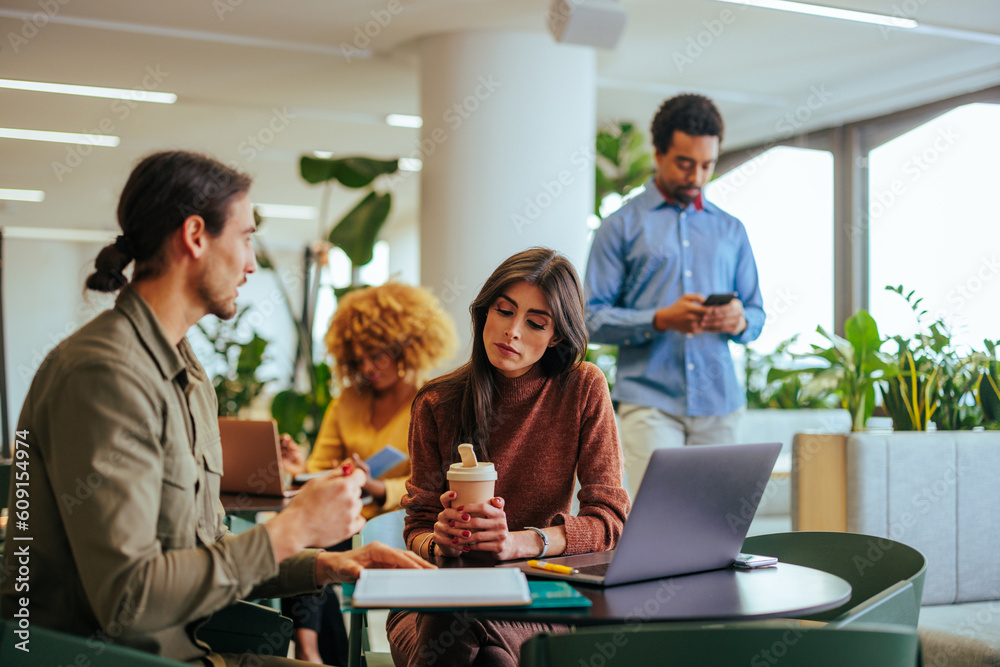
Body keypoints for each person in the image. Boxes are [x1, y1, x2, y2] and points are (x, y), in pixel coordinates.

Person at [0, 150, 431, 666]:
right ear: (196, 235)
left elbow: (207, 547)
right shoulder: (104, 375)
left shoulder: (187, 372)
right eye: (245, 238)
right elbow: (130, 600)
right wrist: (288, 530)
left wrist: (326, 565)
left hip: (191, 648)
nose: (251, 262)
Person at [387, 247, 632, 667]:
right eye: (504, 311)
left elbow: (609, 521)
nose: (512, 331)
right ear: (485, 312)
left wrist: (518, 543)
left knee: (486, 654)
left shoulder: (582, 388)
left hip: (537, 596)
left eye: (536, 323)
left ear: (556, 335)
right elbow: (418, 527)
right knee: (462, 617)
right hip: (434, 600)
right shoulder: (436, 402)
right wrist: (439, 541)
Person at [584, 94, 765, 498]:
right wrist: (660, 319)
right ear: (659, 152)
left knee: (715, 523)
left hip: (720, 405)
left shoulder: (731, 230)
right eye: (685, 163)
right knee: (660, 517)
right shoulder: (620, 227)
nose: (697, 176)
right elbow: (589, 319)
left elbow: (756, 314)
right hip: (649, 404)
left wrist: (739, 320)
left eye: (707, 165)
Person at [279, 282, 457, 664]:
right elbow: (319, 469)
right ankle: (313, 650)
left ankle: (312, 650)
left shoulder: (428, 401)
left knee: (322, 542)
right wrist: (299, 467)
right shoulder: (347, 402)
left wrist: (378, 487)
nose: (367, 368)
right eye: (359, 360)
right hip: (344, 515)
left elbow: (433, 483)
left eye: (376, 356)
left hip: (394, 521)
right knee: (306, 536)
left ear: (404, 349)